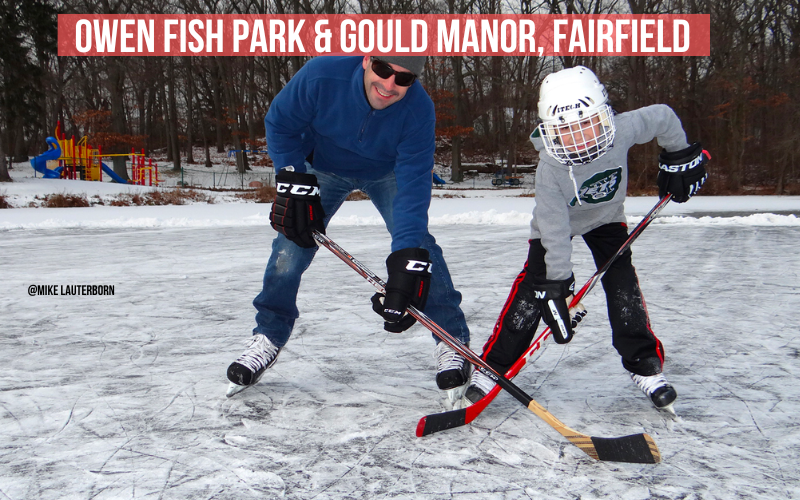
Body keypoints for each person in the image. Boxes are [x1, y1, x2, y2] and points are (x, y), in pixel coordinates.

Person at [226, 55, 471, 400]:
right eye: (383, 71)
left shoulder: (419, 110)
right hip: (322, 167)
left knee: (418, 249)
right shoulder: (321, 76)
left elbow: (414, 184)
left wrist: (406, 264)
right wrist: (295, 180)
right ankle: (268, 335)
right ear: (368, 60)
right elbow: (279, 123)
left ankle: (451, 340)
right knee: (290, 246)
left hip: (387, 172)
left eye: (403, 80)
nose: (389, 86)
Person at [465, 66, 708, 411]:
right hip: (556, 228)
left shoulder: (623, 129)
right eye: (564, 129)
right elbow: (553, 229)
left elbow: (664, 118)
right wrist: (558, 285)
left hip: (606, 220)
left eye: (585, 124)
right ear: (551, 131)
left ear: (603, 116)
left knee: (623, 286)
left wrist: (678, 156)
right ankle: (494, 367)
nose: (577, 137)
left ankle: (644, 366)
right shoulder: (550, 168)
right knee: (533, 293)